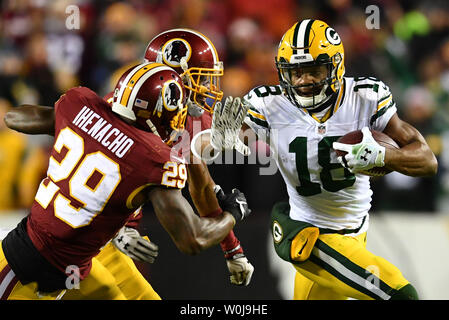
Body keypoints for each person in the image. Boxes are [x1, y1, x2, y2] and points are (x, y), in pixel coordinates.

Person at [206, 19, 437, 300]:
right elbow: (211, 144)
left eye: (314, 71)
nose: (304, 81)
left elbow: (427, 161)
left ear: (335, 66)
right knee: (402, 294)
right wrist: (217, 139)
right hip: (307, 234)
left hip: (354, 231)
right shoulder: (269, 104)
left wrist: (384, 155)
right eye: (296, 73)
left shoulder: (364, 97)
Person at [0, 61, 251, 300]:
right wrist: (232, 213)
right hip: (28, 266)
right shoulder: (153, 159)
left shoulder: (80, 104)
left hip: (67, 256)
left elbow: (14, 118)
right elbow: (193, 240)